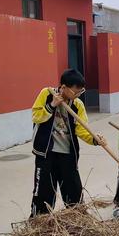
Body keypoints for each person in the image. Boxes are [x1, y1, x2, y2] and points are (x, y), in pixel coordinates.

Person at [30, 69, 106, 217]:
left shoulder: (77, 105)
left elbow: (82, 129)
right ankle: (39, 223)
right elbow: (36, 116)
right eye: (75, 92)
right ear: (63, 87)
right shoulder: (46, 94)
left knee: (74, 192)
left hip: (67, 154)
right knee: (43, 193)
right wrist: (52, 105)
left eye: (80, 92)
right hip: (46, 154)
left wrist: (94, 139)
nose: (78, 95)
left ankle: (78, 222)